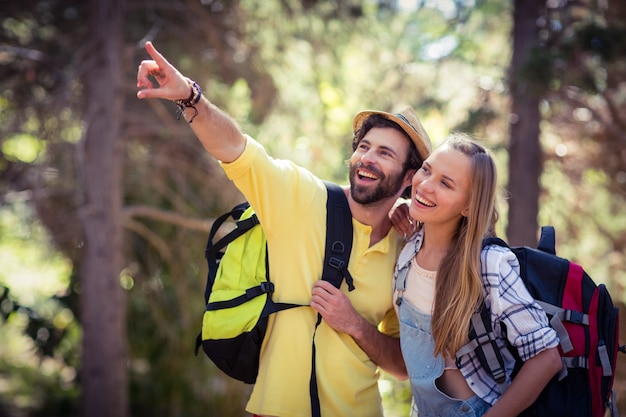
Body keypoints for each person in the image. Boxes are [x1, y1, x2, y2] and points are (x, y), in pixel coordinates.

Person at [136, 41, 432, 417]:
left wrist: (355, 324)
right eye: (365, 147)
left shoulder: (405, 249)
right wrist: (190, 97)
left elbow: (402, 365)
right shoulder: (301, 196)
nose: (367, 158)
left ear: (408, 177)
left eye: (385, 153)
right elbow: (237, 149)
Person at [391, 133, 562, 417]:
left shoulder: (489, 265)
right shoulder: (410, 247)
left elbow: (547, 358)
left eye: (446, 183)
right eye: (426, 170)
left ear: (469, 206)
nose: (425, 185)